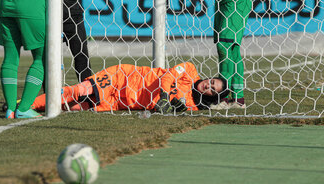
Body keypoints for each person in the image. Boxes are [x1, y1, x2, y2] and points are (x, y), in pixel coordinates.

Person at [0, 0, 69, 118]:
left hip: (7, 3)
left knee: (10, 57)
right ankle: (23, 108)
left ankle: (10, 109)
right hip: (30, 5)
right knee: (44, 57)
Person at [31, 62, 230, 113]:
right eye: (212, 81)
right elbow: (168, 76)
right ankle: (25, 106)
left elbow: (178, 111)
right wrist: (164, 95)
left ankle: (32, 107)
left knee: (72, 107)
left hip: (121, 103)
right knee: (80, 90)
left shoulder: (191, 105)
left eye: (212, 89)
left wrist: (177, 109)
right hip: (122, 77)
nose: (208, 85)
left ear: (211, 96)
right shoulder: (189, 70)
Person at [213, 0, 267, 109]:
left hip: (237, 0)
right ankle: (238, 99)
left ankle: (221, 98)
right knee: (232, 50)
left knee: (225, 45)